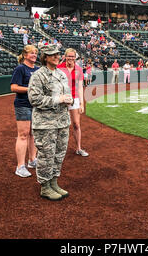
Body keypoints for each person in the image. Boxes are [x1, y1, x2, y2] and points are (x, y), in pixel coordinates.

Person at [28, 44, 73, 201]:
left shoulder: (61, 74)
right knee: (47, 155)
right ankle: (45, 187)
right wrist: (58, 99)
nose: (56, 56)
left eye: (57, 54)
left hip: (62, 121)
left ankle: (54, 182)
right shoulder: (38, 75)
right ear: (45, 57)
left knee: (59, 154)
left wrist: (69, 99)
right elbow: (34, 99)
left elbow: (67, 93)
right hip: (45, 123)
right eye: (52, 54)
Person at [10, 45, 40, 178]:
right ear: (25, 55)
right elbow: (13, 87)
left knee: (34, 134)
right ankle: (20, 166)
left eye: (35, 53)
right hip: (23, 104)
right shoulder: (20, 68)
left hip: (35, 105)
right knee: (23, 135)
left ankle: (32, 160)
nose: (34, 55)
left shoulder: (38, 69)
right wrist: (30, 89)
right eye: (31, 53)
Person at [57, 48, 89, 157]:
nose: (71, 58)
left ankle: (79, 148)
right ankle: (58, 149)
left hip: (74, 98)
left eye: (73, 56)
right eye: (69, 56)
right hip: (61, 99)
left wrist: (81, 103)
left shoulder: (79, 69)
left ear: (75, 57)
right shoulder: (58, 68)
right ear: (65, 57)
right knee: (60, 125)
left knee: (76, 124)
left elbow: (80, 87)